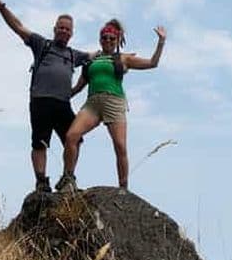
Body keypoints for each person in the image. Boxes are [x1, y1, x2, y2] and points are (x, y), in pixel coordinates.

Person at [0, 0, 91, 192]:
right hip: (41, 101)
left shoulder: (73, 54)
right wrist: (2, 9)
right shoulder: (42, 45)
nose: (64, 31)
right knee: (40, 143)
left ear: (72, 33)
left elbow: (97, 55)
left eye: (67, 29)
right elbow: (18, 27)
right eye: (61, 28)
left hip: (63, 103)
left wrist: (120, 52)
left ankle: (68, 178)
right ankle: (41, 182)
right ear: (55, 29)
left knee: (74, 138)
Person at [57, 19, 166, 192]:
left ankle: (123, 188)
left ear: (117, 41)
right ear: (100, 40)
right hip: (92, 103)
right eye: (105, 38)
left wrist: (161, 42)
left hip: (114, 101)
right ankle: (68, 178)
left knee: (120, 146)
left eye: (111, 39)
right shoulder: (91, 60)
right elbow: (78, 88)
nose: (108, 41)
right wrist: (59, 95)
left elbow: (152, 63)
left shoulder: (123, 58)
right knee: (71, 136)